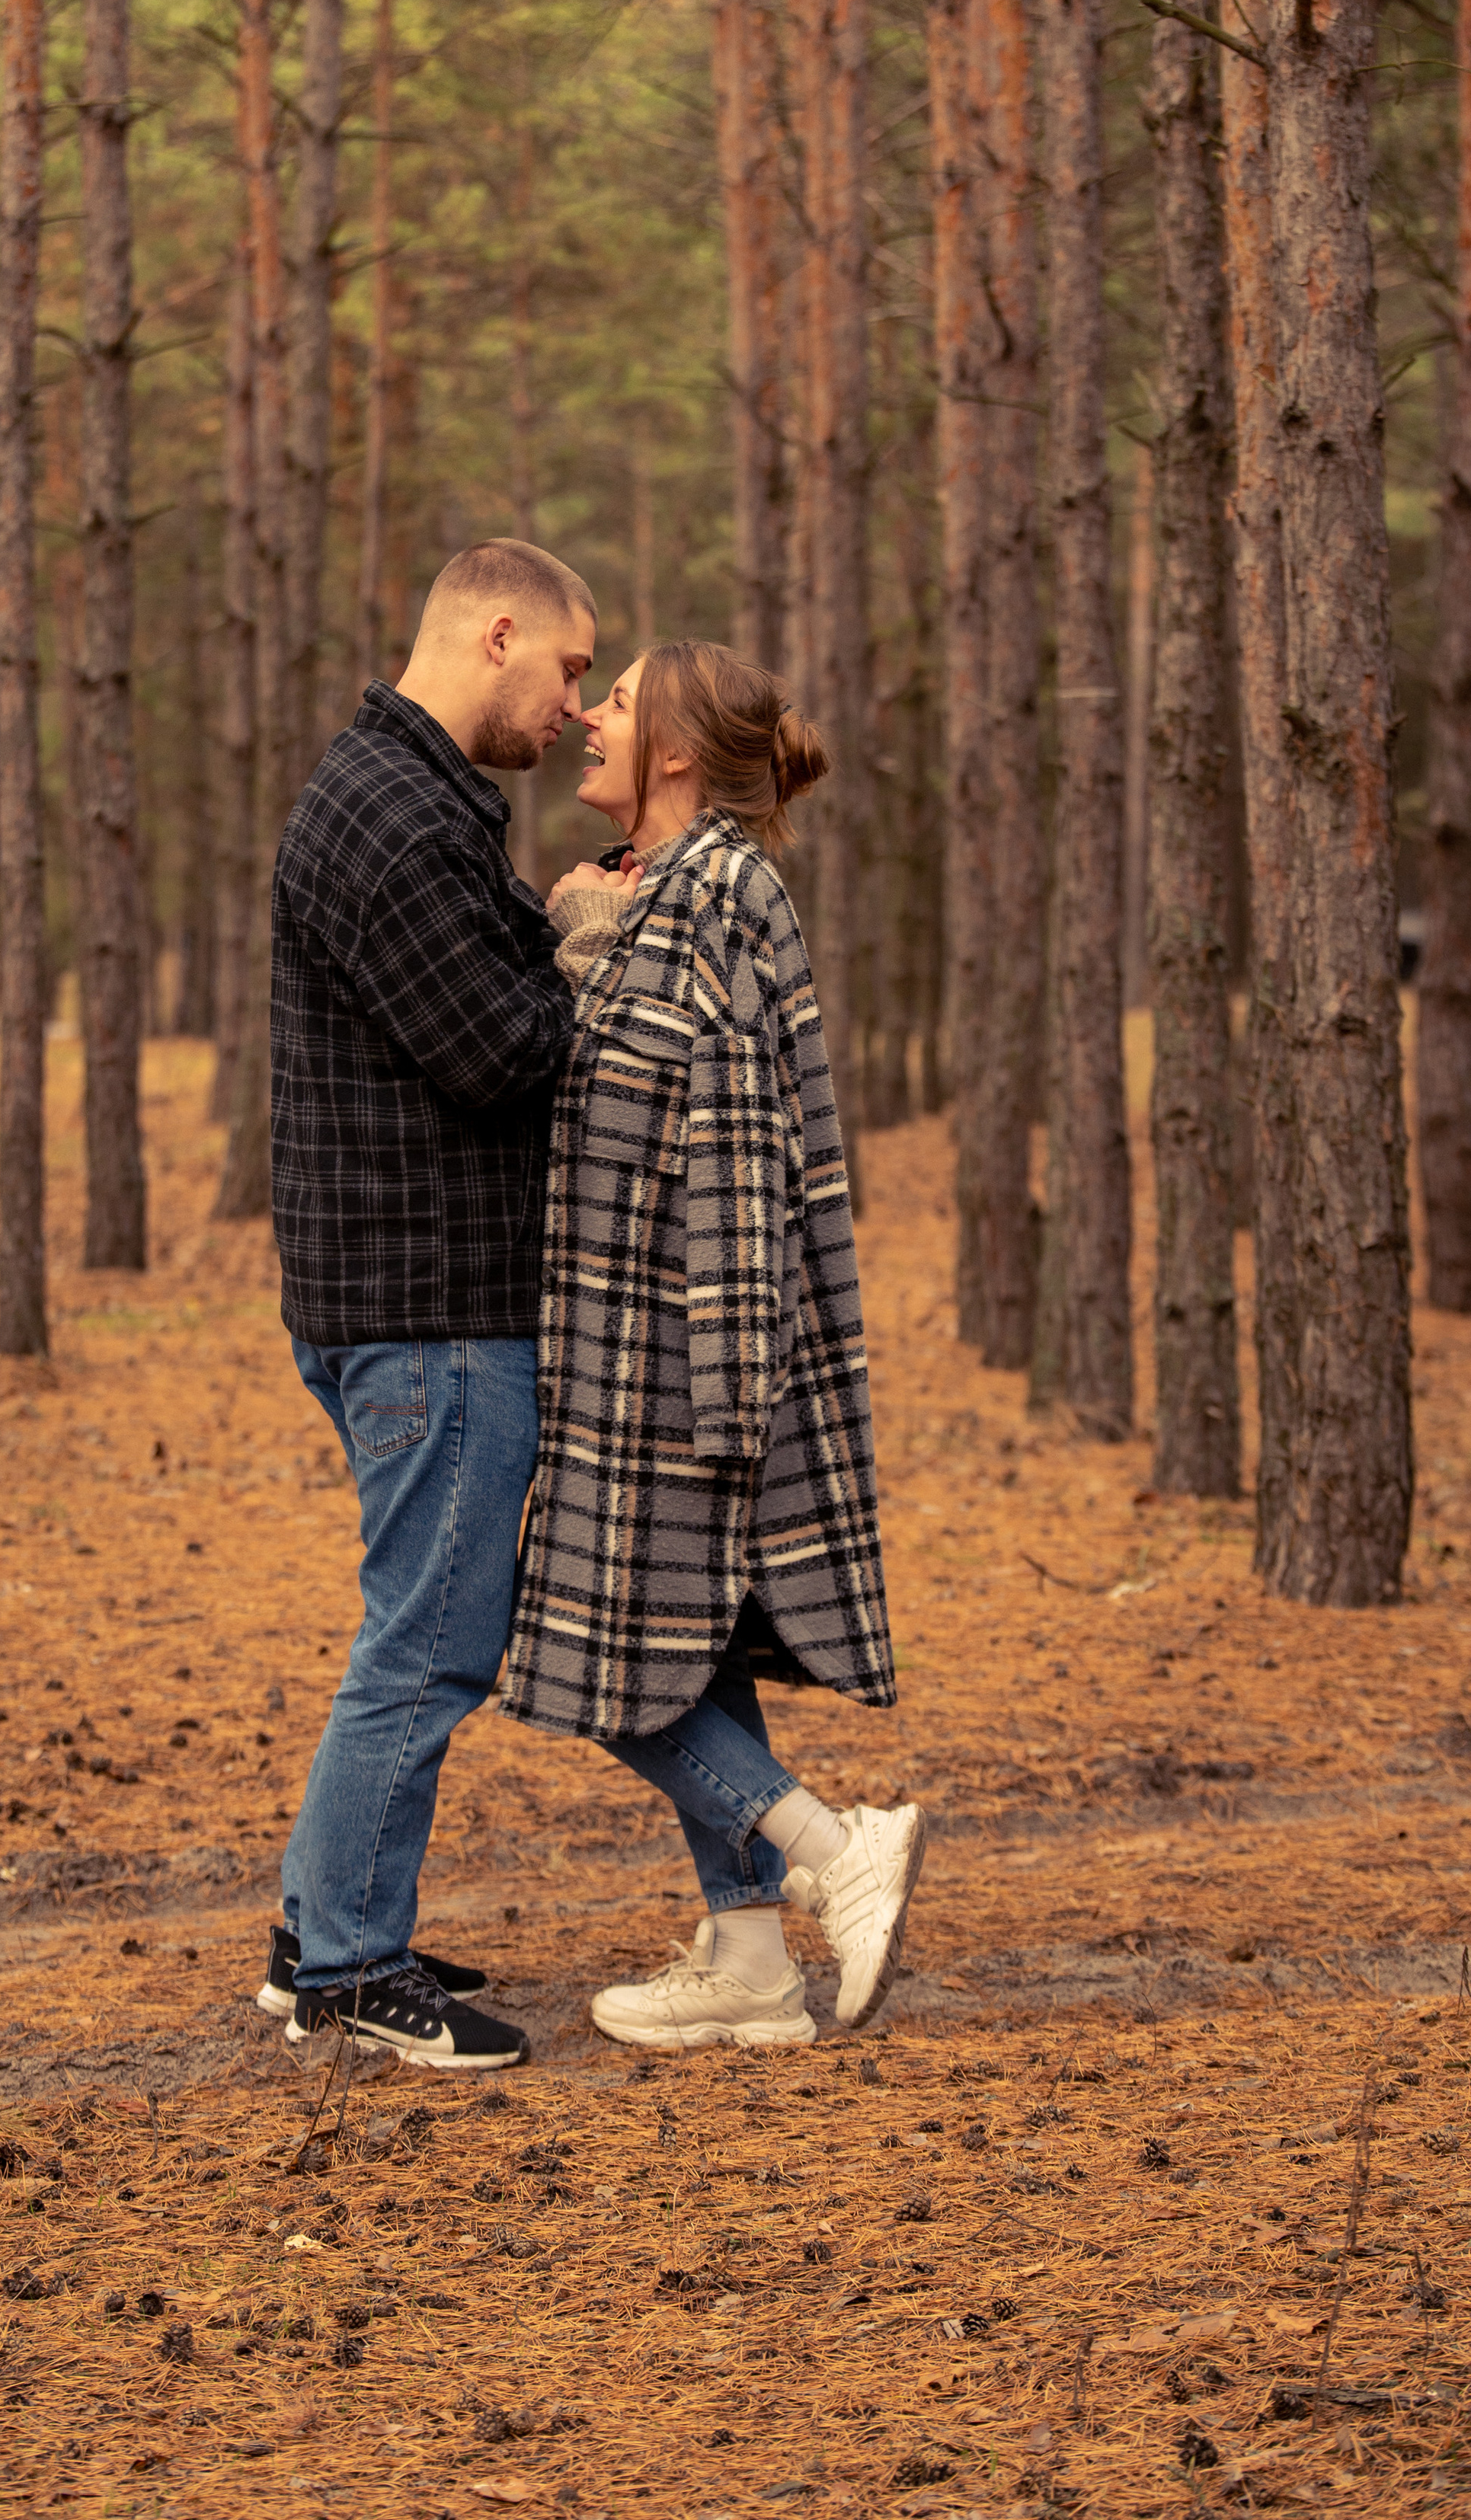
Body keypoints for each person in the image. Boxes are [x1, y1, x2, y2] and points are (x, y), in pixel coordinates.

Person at [503, 639, 925, 2052]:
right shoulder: (660, 898)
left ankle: (829, 1844)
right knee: (683, 1655)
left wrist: (729, 1403)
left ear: (675, 749)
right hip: (630, 1359)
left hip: (681, 1372)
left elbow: (744, 1156)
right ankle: (751, 1961)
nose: (586, 719)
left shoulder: (725, 893)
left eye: (614, 703)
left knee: (585, 1660)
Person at [258, 538, 597, 2070]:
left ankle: (319, 1924)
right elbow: (502, 1053)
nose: (577, 709)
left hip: (412, 1298)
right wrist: (584, 949)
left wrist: (543, 920)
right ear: (498, 632)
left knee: (413, 1626)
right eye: (571, 670)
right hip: (426, 1307)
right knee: (429, 1642)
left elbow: (478, 995)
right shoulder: (396, 819)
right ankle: (344, 1965)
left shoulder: (407, 796)